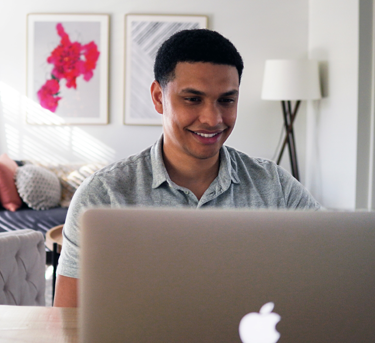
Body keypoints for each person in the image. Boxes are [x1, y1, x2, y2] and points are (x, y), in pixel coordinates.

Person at [54, 29, 320, 307]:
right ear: (158, 97)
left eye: (226, 100)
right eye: (193, 99)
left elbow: (331, 268)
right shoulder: (103, 195)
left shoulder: (274, 186)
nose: (212, 118)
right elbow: (66, 321)